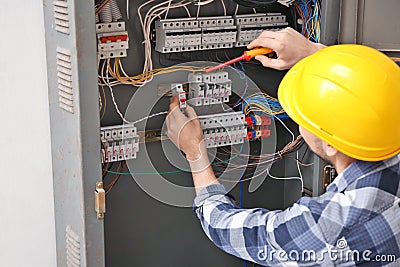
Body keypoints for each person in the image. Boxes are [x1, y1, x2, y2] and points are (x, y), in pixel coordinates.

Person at [165, 27, 400, 266]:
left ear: (330, 143)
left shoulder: (331, 227)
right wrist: (313, 55)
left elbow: (228, 228)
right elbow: (382, 90)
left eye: (302, 113)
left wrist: (194, 151)